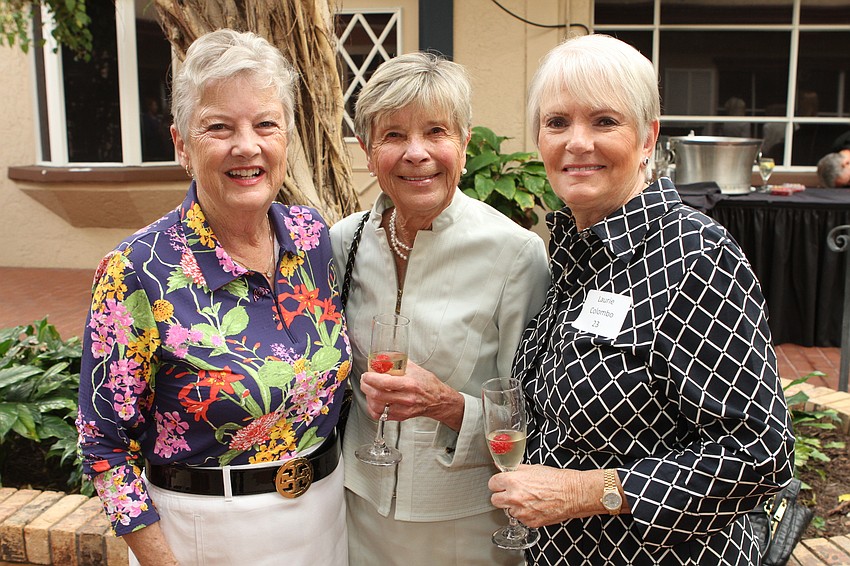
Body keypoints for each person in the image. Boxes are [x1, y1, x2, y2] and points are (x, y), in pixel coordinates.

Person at [488, 34, 795, 565]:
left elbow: (761, 454)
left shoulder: (694, 256)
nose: (576, 142)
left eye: (604, 121)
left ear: (649, 136)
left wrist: (586, 492)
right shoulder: (573, 254)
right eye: (557, 122)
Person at [76, 29, 350, 565]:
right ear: (181, 143)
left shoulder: (312, 237)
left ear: (286, 138)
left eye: (265, 124)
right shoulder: (137, 271)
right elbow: (104, 445)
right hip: (204, 535)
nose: (246, 146)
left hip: (324, 517)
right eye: (219, 127)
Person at [330, 52, 550, 565]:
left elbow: (529, 412)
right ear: (367, 149)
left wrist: (446, 405)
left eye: (436, 132)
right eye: (392, 136)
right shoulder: (345, 242)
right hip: (358, 511)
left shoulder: (514, 253)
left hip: (467, 524)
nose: (416, 153)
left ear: (465, 143)